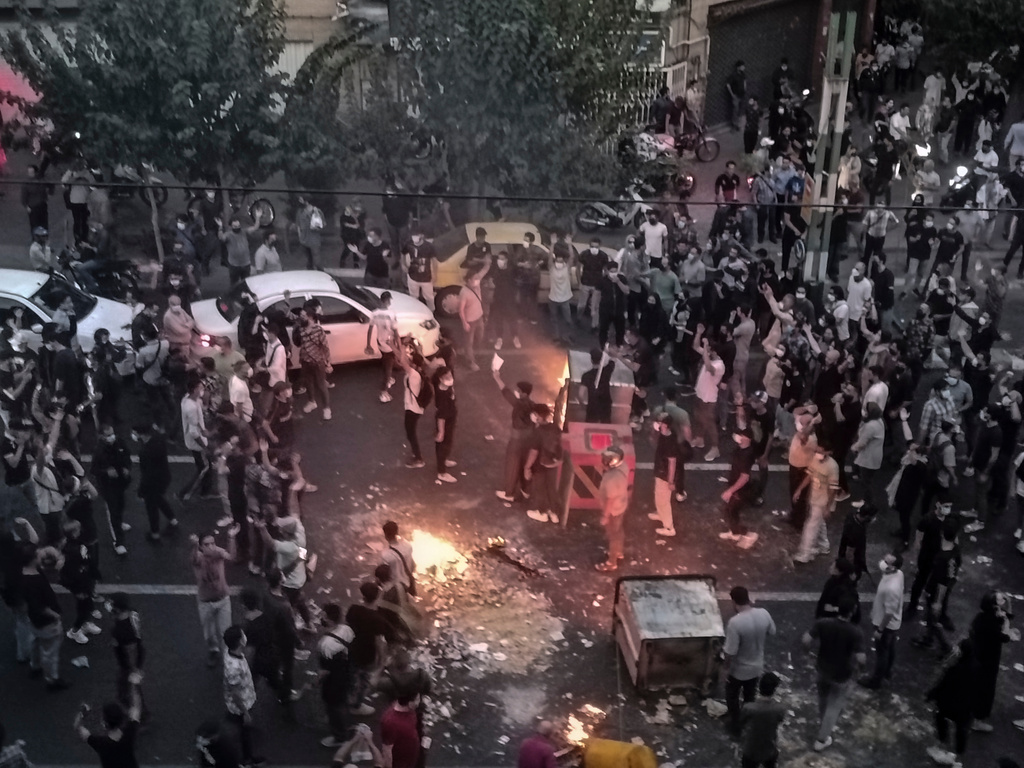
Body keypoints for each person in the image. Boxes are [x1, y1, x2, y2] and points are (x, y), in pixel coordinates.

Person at [802, 596, 865, 752]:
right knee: (834, 706)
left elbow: (805, 640)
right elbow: (861, 658)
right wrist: (859, 670)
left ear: (838, 608)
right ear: (852, 611)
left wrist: (808, 655)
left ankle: (823, 722)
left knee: (823, 698)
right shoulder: (855, 632)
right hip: (841, 674)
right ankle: (822, 739)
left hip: (822, 668)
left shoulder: (823, 623)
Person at [723, 586, 776, 736]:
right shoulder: (763, 614)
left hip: (739, 669)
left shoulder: (735, 623)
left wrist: (725, 669)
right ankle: (747, 720)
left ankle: (736, 725)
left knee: (732, 696)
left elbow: (730, 651)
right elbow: (772, 631)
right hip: (757, 666)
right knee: (749, 696)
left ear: (733, 601)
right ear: (748, 598)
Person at [21, 542, 70, 690]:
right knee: (50, 652)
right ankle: (52, 680)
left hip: (34, 620)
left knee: (36, 642)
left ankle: (35, 667)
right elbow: (40, 607)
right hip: (47, 622)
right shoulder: (34, 581)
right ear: (33, 559)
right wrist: (55, 616)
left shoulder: (25, 572)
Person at [926, 637, 977, 767]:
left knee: (940, 719)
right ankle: (958, 758)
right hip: (967, 708)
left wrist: (931, 695)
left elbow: (943, 685)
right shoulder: (976, 666)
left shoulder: (955, 669)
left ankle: (943, 746)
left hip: (950, 705)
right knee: (961, 731)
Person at [191, 527, 238, 667]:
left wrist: (231, 537)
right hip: (205, 601)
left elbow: (232, 557)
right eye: (207, 544)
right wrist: (194, 546)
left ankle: (227, 660)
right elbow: (194, 558)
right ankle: (213, 650)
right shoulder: (198, 558)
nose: (211, 546)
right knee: (209, 633)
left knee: (225, 632)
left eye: (213, 543)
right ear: (200, 546)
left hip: (223, 599)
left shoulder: (218, 553)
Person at [74, 673, 143, 768]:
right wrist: (134, 685)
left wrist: (82, 713)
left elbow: (77, 726)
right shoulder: (129, 734)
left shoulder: (100, 743)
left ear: (104, 723)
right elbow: (136, 707)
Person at [859, 552, 905, 690]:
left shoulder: (891, 588)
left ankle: (876, 681)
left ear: (892, 567)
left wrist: (880, 629)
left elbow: (889, 612)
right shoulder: (898, 574)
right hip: (892, 623)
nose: (882, 562)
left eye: (886, 561)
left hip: (886, 625)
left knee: (882, 653)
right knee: (890, 649)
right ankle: (887, 672)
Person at [222, 625, 262, 767]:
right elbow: (235, 693)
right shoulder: (234, 667)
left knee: (243, 726)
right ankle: (247, 759)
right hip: (241, 704)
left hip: (245, 697)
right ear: (240, 641)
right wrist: (245, 713)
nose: (245, 636)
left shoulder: (233, 654)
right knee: (245, 733)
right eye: (242, 635)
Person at [792, 445, 839, 564]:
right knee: (819, 521)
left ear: (828, 452)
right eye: (816, 450)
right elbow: (809, 475)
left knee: (811, 526)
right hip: (815, 498)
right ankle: (824, 546)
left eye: (820, 451)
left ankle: (805, 554)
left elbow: (833, 490)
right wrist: (799, 490)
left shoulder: (832, 467)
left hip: (823, 501)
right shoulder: (815, 459)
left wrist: (828, 507)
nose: (817, 453)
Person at [317, 603, 356, 748]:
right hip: (347, 673)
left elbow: (325, 669)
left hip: (333, 681)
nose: (320, 617)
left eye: (323, 615)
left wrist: (317, 680)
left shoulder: (325, 645)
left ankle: (340, 736)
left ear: (329, 619)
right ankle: (344, 721)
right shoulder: (347, 630)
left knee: (333, 706)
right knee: (342, 700)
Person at [494, 370, 534, 503]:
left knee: (512, 465)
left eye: (518, 390)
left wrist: (497, 378)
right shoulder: (533, 405)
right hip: (529, 440)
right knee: (525, 464)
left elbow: (506, 392)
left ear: (522, 392)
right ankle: (526, 490)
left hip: (517, 440)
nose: (516, 391)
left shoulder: (519, 404)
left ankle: (509, 493)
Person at [524, 404, 564, 525]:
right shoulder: (555, 427)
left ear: (538, 416)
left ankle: (542, 512)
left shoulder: (538, 431)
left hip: (541, 464)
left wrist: (527, 467)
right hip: (554, 463)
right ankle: (554, 513)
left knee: (540, 487)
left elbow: (534, 452)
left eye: (535, 414)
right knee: (552, 487)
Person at [720, 428, 758, 549]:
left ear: (746, 438)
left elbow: (744, 477)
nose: (738, 436)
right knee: (731, 511)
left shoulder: (747, 455)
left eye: (741, 435)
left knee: (730, 511)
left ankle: (745, 533)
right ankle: (735, 533)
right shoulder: (740, 450)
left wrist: (730, 491)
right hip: (734, 485)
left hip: (740, 489)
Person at [740, 672, 785, 768]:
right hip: (769, 748)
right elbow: (780, 720)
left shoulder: (749, 708)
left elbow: (742, 722)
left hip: (751, 749)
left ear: (759, 687)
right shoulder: (779, 709)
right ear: (774, 690)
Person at [595, 446, 629, 572]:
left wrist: (605, 516)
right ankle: (618, 552)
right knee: (619, 530)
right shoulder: (623, 467)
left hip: (613, 510)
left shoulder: (612, 478)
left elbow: (610, 499)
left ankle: (611, 562)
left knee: (613, 534)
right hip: (621, 506)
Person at [648, 413, 679, 537]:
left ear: (665, 425)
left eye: (660, 422)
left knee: (664, 501)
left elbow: (672, 462)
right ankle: (660, 515)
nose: (657, 424)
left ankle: (669, 527)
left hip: (665, 475)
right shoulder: (665, 434)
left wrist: (670, 481)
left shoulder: (670, 442)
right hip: (660, 471)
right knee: (658, 496)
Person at [366, 291, 399, 403]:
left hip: (380, 342)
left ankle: (388, 379)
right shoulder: (391, 314)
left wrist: (368, 344)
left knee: (386, 361)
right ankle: (383, 392)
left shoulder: (374, 313)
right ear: (388, 300)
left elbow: (370, 329)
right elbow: (396, 332)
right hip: (390, 343)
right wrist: (399, 346)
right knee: (389, 367)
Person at [380, 693, 420, 768]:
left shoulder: (410, 711)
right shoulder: (390, 722)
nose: (419, 702)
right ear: (410, 703)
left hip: (410, 757)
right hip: (400, 763)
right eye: (417, 699)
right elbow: (387, 751)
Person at [402, 229, 437, 311]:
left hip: (426, 277)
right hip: (412, 275)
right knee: (413, 296)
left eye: (416, 235)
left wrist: (435, 274)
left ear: (422, 236)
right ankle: (416, 311)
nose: (414, 237)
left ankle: (431, 312)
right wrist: (403, 264)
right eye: (413, 235)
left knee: (429, 297)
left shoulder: (429, 246)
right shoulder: (408, 244)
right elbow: (403, 253)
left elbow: (434, 261)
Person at [295, 195, 325, 271]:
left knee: (317, 262)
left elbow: (322, 225)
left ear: (306, 201)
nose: (299, 202)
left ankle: (321, 276)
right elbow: (298, 225)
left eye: (301, 200)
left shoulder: (317, 211)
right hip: (304, 240)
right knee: (308, 262)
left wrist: (317, 227)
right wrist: (300, 236)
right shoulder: (300, 212)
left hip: (314, 240)